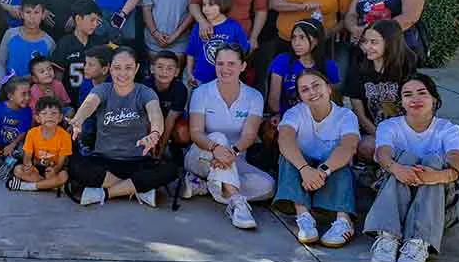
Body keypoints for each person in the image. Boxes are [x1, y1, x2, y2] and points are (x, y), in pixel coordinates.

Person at [365, 74, 459, 262]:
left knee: (433, 161)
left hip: (436, 201)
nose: (415, 99)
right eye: (408, 94)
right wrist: (398, 169)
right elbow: (383, 154)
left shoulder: (448, 129)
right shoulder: (390, 126)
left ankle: (418, 243)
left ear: (434, 99)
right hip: (396, 193)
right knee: (406, 157)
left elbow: (458, 161)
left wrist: (435, 176)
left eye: (422, 93)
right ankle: (388, 237)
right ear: (401, 102)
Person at [68, 47, 173, 207]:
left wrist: (155, 133)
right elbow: (89, 104)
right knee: (75, 166)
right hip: (104, 160)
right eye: (117, 68)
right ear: (110, 69)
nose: (122, 73)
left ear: (136, 68)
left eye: (128, 67)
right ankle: (135, 188)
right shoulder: (103, 89)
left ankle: (105, 193)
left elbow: (155, 113)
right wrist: (78, 119)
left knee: (170, 169)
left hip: (137, 161)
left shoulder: (145, 92)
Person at [184, 44, 275, 228]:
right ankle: (236, 203)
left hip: (234, 158)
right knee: (218, 137)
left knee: (268, 186)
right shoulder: (202, 92)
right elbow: (196, 133)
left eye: (231, 64)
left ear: (243, 66)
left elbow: (249, 135)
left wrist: (231, 152)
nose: (225, 69)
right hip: (202, 156)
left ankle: (205, 186)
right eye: (220, 63)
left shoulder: (254, 96)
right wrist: (216, 148)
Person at [274, 70, 360, 247]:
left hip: (329, 175)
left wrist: (322, 171)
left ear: (329, 88)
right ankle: (304, 216)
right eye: (305, 89)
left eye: (316, 86)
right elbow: (284, 139)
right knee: (288, 156)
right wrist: (305, 169)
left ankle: (343, 220)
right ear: (300, 97)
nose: (312, 92)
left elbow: (348, 146)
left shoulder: (346, 115)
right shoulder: (294, 113)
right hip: (302, 177)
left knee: (341, 162)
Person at [346, 19, 416, 160]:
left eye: (374, 42)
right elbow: (360, 115)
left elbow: (415, 109)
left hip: (405, 130)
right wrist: (384, 138)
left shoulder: (407, 69)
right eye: (365, 41)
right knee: (366, 147)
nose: (367, 47)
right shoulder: (358, 69)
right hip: (373, 131)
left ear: (390, 43)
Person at [267, 18, 340, 118]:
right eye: (294, 37)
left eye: (302, 37)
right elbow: (273, 99)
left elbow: (334, 99)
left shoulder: (329, 66)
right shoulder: (282, 60)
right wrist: (277, 114)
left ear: (316, 41)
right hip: (288, 117)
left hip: (319, 118)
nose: (296, 43)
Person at [185, 0, 248, 86]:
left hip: (225, 80)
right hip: (200, 79)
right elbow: (191, 53)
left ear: (223, 4)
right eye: (204, 5)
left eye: (211, 5)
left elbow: (243, 53)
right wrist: (189, 73)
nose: (206, 9)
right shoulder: (198, 27)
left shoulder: (234, 27)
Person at [7, 96, 72, 192]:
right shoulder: (32, 133)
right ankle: (51, 185)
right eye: (44, 113)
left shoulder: (65, 136)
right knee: (18, 170)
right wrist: (28, 166)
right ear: (37, 118)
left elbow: (61, 162)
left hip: (53, 169)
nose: (49, 116)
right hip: (36, 169)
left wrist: (55, 170)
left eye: (54, 113)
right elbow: (27, 156)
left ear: (60, 118)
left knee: (63, 176)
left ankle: (27, 186)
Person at [52, 0, 103, 104]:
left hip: (96, 101)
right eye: (92, 20)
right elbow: (57, 79)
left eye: (97, 21)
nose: (95, 24)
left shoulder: (100, 43)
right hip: (70, 101)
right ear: (78, 19)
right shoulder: (64, 44)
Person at [0, 0, 56, 80]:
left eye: (36, 12)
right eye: (28, 12)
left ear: (43, 15)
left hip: (36, 88)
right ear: (21, 14)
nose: (32, 17)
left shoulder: (48, 42)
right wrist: (3, 83)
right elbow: (0, 63)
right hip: (10, 86)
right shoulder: (10, 34)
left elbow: (50, 72)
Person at [143, 50, 188, 157]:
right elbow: (146, 118)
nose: (164, 72)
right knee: (142, 124)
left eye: (170, 68)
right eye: (160, 67)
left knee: (183, 132)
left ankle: (174, 149)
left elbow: (170, 120)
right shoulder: (145, 86)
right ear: (152, 68)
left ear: (177, 72)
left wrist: (161, 150)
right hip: (150, 120)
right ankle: (146, 151)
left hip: (170, 121)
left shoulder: (180, 89)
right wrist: (153, 143)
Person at [0, 76, 32, 174]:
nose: (27, 97)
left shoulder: (27, 111)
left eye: (29, 93)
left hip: (14, 144)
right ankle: (4, 162)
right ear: (11, 96)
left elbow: (23, 131)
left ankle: (7, 163)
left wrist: (12, 145)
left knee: (23, 151)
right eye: (23, 94)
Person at [75, 45, 112, 155]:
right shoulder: (85, 84)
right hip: (90, 120)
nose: (85, 68)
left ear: (104, 69)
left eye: (91, 65)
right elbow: (82, 106)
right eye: (86, 63)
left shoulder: (114, 85)